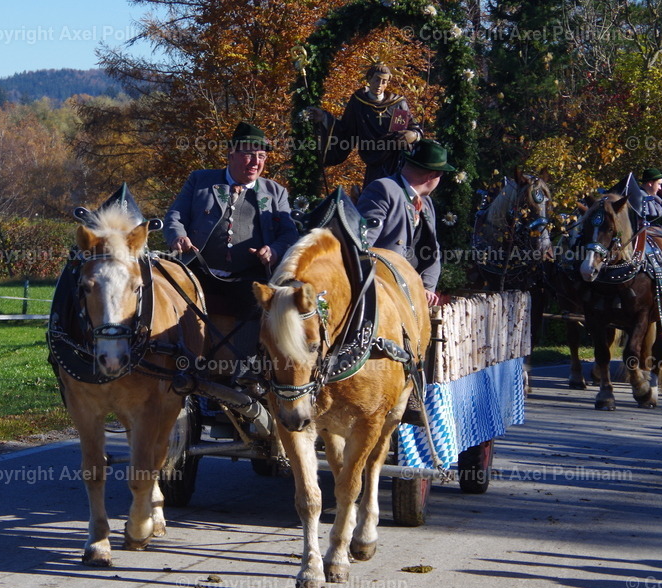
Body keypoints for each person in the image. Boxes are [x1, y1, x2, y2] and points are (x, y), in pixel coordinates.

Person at [165, 121, 300, 380]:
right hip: (197, 269)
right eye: (249, 154)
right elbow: (175, 216)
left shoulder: (275, 192)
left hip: (248, 275)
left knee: (258, 304)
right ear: (231, 154)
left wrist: (273, 249)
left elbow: (289, 234)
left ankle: (241, 376)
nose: (255, 162)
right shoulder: (200, 180)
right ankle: (179, 370)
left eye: (261, 156)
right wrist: (178, 236)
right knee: (170, 298)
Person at [356, 139, 455, 306]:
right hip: (381, 292)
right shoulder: (383, 189)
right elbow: (362, 245)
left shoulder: (427, 203)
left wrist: (427, 288)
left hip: (411, 298)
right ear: (432, 176)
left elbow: (433, 250)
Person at [304, 62, 423, 190]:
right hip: (374, 161)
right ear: (369, 79)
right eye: (377, 79)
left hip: (397, 163)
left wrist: (414, 135)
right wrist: (324, 118)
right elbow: (345, 130)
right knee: (375, 196)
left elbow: (414, 128)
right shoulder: (359, 103)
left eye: (384, 81)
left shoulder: (398, 103)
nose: (379, 85)